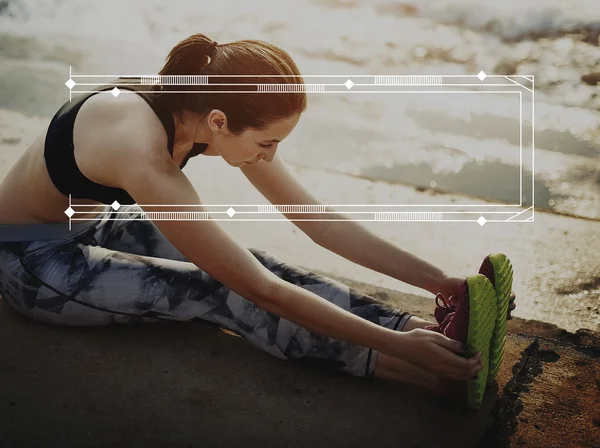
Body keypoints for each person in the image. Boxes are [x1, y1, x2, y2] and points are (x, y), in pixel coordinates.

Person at [0, 33, 515, 405]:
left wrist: (442, 283)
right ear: (220, 123)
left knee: (255, 262)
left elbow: (317, 221)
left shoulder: (197, 105)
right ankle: (420, 371)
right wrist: (394, 348)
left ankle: (427, 330)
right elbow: (259, 291)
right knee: (226, 288)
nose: (269, 155)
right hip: (32, 259)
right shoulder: (145, 155)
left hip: (94, 220)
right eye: (267, 142)